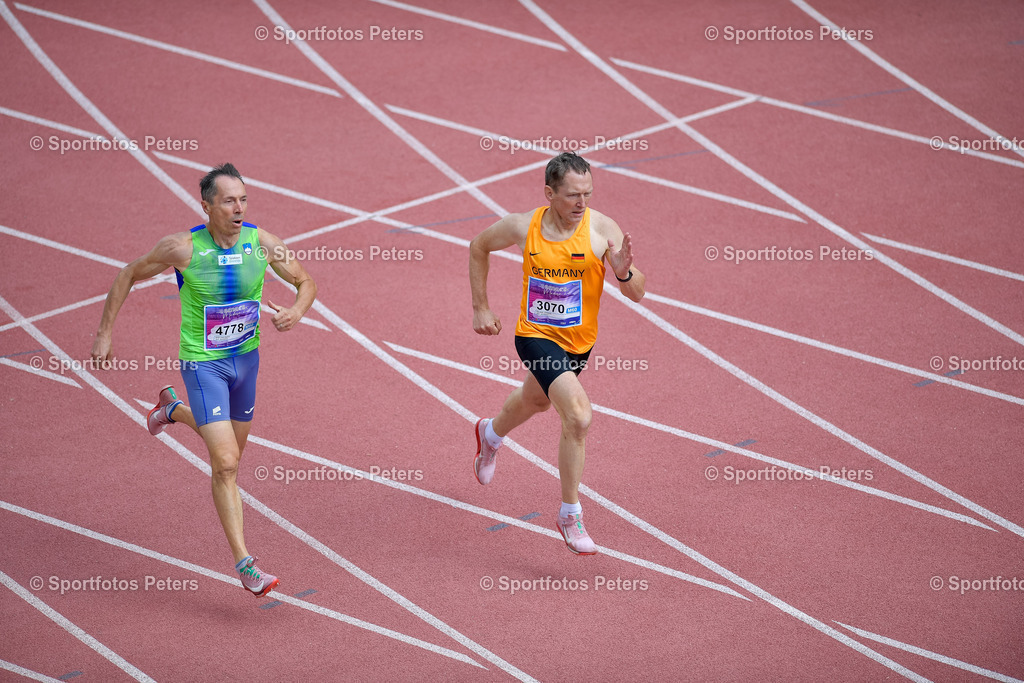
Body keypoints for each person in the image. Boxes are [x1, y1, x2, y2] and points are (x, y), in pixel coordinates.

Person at [90, 163, 317, 597]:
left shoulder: (262, 244)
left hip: (245, 364)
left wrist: (297, 310)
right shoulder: (182, 249)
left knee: (230, 459)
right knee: (227, 461)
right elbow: (127, 274)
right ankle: (246, 565)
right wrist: (104, 333)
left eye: (243, 199)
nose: (239, 208)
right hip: (203, 365)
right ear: (207, 206)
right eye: (229, 200)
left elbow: (306, 281)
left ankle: (170, 410)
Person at [469, 152, 645, 554]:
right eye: (571, 196)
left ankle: (490, 433)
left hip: (579, 343)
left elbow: (638, 293)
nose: (581, 204)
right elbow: (478, 247)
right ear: (549, 193)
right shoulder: (522, 226)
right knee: (578, 416)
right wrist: (481, 306)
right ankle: (570, 514)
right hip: (535, 336)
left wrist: (622, 271)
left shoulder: (601, 229)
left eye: (587, 193)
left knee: (535, 400)